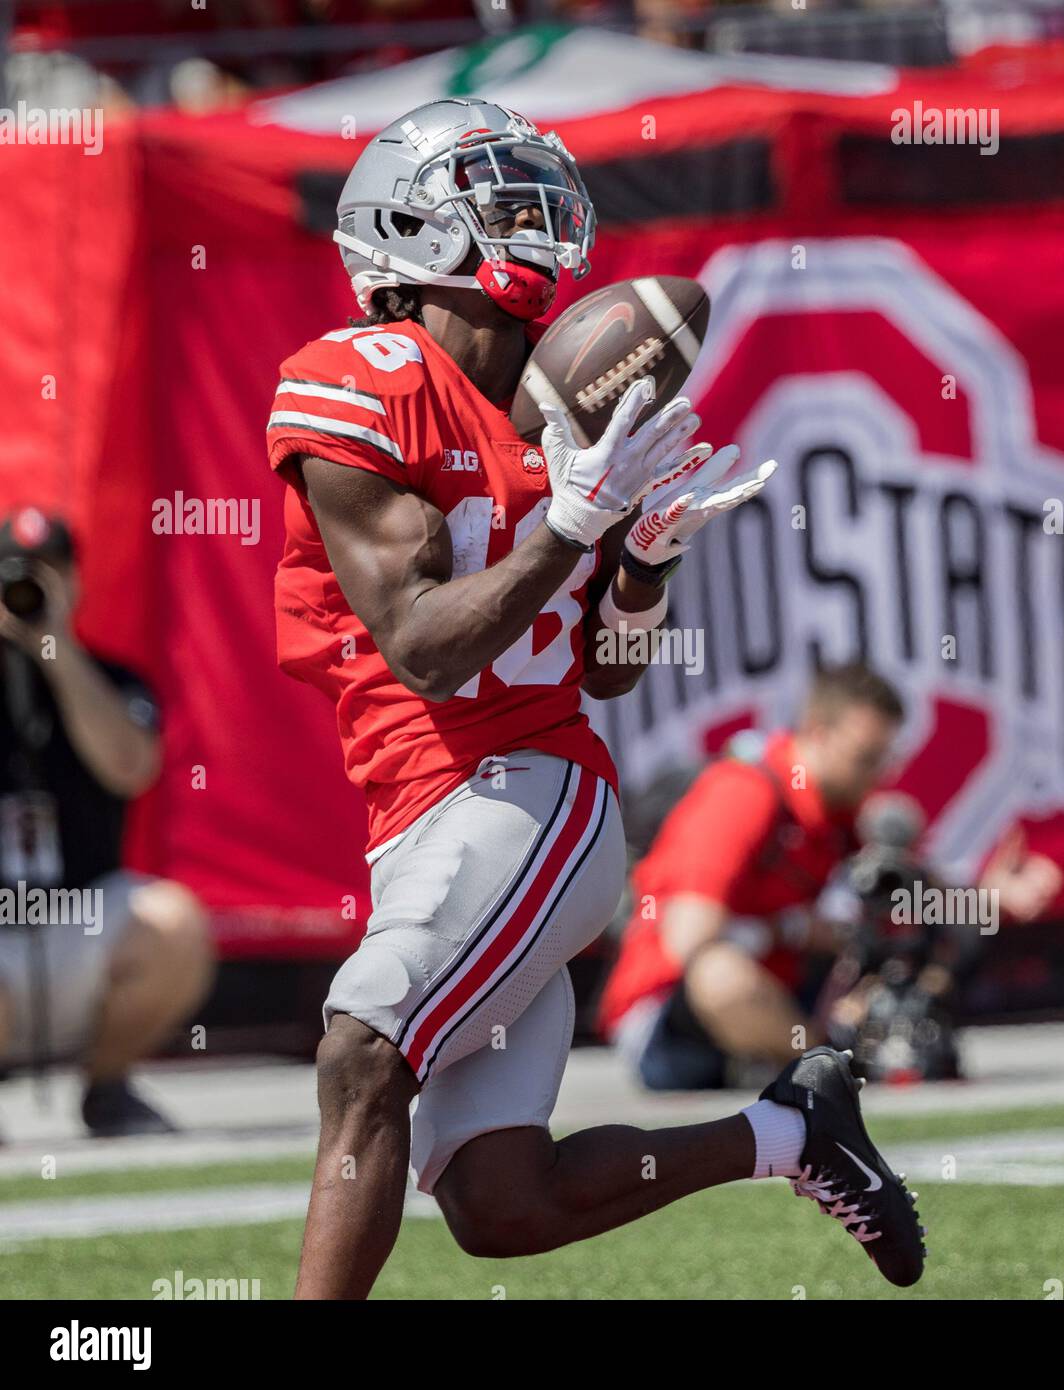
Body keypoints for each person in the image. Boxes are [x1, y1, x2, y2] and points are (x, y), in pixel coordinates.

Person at [267, 98, 926, 1297]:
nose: (532, 219)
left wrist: (642, 561)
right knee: (501, 1201)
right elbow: (423, 648)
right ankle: (792, 1132)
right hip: (421, 810)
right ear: (405, 225)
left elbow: (607, 666)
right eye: (496, 197)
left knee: (362, 1053)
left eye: (532, 196)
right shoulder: (357, 377)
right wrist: (569, 525)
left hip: (534, 796)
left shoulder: (570, 403)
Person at [598, 664, 1063, 1089]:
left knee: (901, 935)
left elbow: (912, 891)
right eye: (866, 757)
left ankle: (832, 1055)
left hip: (779, 994)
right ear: (818, 734)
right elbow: (690, 940)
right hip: (672, 1026)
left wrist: (987, 899)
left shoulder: (838, 807)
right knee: (720, 973)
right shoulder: (743, 792)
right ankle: (841, 1065)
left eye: (885, 758)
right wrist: (799, 931)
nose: (879, 774)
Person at [0, 509, 213, 1136]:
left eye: (48, 574)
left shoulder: (115, 680)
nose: (29, 589)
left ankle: (108, 1088)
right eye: (15, 575)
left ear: (76, 583)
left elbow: (130, 767)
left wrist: (53, 646)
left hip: (81, 917)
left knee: (175, 923)